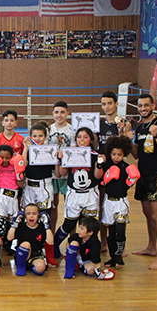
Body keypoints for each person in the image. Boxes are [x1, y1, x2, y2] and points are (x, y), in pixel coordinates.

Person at [130, 94, 157, 270]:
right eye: (140, 106)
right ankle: (151, 247)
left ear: (152, 105)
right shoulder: (140, 128)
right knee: (148, 215)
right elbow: (137, 154)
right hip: (143, 175)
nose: (143, 109)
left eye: (146, 105)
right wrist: (127, 140)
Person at [53, 128, 104, 260]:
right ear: (75, 139)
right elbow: (63, 173)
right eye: (79, 137)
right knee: (68, 225)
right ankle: (54, 247)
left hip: (90, 194)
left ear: (91, 140)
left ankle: (85, 254)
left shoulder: (95, 155)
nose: (82, 139)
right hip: (74, 194)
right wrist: (61, 160)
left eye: (85, 137)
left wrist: (99, 164)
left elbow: (98, 176)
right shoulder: (71, 153)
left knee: (87, 226)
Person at [98, 91, 132, 251]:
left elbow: (126, 146)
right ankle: (104, 242)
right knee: (102, 206)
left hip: (119, 168)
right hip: (103, 167)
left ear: (116, 104)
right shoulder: (98, 123)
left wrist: (122, 132)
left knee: (118, 206)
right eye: (104, 104)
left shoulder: (124, 123)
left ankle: (119, 246)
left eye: (110, 103)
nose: (107, 107)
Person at [100, 136, 139, 268]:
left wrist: (130, 182)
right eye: (114, 154)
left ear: (124, 154)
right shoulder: (107, 165)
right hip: (108, 202)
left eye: (119, 155)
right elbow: (100, 180)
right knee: (111, 233)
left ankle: (119, 256)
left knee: (120, 231)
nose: (116, 157)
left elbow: (129, 183)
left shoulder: (126, 167)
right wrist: (100, 164)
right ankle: (113, 257)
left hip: (121, 202)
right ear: (110, 153)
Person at [21, 122, 56, 265]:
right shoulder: (28, 150)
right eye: (34, 136)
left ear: (45, 136)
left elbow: (57, 171)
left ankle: (47, 252)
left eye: (40, 136)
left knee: (44, 218)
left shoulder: (50, 150)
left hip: (44, 185)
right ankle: (28, 249)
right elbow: (22, 166)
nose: (38, 138)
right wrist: (25, 149)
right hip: (29, 185)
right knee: (28, 217)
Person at [0, 144, 25, 264]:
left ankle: (8, 249)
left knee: (11, 226)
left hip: (13, 198)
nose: (4, 160)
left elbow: (20, 184)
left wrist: (19, 172)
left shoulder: (15, 166)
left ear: (11, 157)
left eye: (7, 157)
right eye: (1, 157)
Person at [47, 101, 75, 235]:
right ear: (53, 114)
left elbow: (75, 149)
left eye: (62, 112)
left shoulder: (72, 130)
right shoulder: (48, 130)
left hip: (67, 172)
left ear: (67, 113)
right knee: (53, 205)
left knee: (70, 207)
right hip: (52, 173)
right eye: (57, 112)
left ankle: (72, 238)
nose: (59, 115)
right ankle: (51, 236)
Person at [8, 204, 54, 276]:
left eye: (34, 214)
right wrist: (14, 224)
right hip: (22, 254)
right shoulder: (21, 225)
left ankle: (29, 266)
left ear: (38, 216)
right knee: (26, 244)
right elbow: (9, 238)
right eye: (28, 214)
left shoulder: (41, 226)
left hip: (36, 254)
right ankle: (21, 267)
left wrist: (47, 226)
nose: (31, 216)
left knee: (41, 268)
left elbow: (50, 241)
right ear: (25, 216)